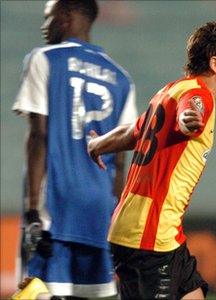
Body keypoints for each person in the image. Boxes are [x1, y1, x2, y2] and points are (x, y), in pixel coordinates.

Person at [87, 20, 216, 299]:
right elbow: (190, 113)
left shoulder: (169, 91)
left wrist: (96, 144)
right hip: (151, 237)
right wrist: (189, 122)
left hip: (142, 230)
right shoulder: (199, 96)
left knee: (193, 293)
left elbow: (133, 132)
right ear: (215, 63)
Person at [11, 0, 137, 298]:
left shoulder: (44, 59)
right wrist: (116, 222)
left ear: (66, 17)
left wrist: (32, 211)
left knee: (36, 292)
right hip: (100, 211)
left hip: (57, 207)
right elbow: (121, 161)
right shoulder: (122, 79)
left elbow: (39, 136)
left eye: (48, 18)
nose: (44, 27)